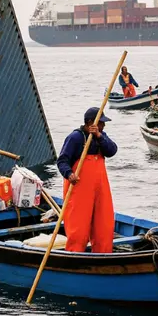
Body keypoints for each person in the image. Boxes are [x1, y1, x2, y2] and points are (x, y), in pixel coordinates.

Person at [56, 107, 118, 253]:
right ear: (90, 122)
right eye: (101, 122)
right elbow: (62, 161)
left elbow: (112, 151)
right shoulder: (76, 138)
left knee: (104, 225)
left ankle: (103, 255)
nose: (103, 125)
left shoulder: (101, 136)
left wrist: (99, 136)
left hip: (100, 188)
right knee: (78, 229)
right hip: (79, 189)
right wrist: (69, 174)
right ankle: (75, 256)